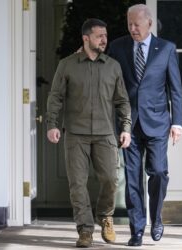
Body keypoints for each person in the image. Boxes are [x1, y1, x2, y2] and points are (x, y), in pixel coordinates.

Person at [45, 18, 132, 248]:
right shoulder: (67, 65)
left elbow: (122, 101)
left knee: (111, 179)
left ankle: (105, 216)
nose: (104, 39)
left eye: (105, 35)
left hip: (105, 134)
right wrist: (52, 124)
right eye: (99, 36)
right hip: (76, 134)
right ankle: (84, 230)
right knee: (78, 184)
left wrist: (125, 127)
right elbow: (55, 97)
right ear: (86, 39)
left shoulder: (113, 66)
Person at [108, 4, 182, 246]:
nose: (132, 29)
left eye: (137, 25)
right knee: (132, 178)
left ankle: (157, 217)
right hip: (128, 125)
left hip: (158, 123)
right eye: (129, 24)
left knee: (159, 171)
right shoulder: (117, 47)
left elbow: (175, 90)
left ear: (149, 24)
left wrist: (178, 123)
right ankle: (137, 229)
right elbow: (108, 80)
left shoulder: (167, 49)